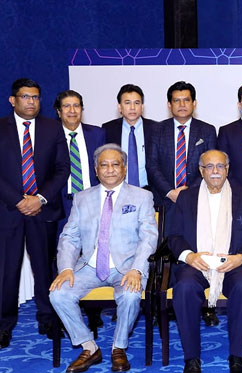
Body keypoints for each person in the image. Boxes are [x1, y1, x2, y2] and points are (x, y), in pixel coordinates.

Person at [49, 144, 157, 373]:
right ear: (96, 170)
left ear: (124, 169)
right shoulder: (82, 198)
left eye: (115, 164)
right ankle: (90, 347)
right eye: (104, 165)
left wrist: (137, 270)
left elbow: (148, 238)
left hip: (126, 267)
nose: (110, 170)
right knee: (58, 294)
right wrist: (66, 268)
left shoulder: (142, 197)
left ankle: (119, 347)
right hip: (88, 266)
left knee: (130, 295)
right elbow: (69, 236)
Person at [168, 150, 242, 373]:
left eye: (220, 166)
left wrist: (241, 257)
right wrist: (188, 256)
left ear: (228, 169)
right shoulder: (186, 198)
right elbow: (173, 235)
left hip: (232, 260)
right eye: (209, 167)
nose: (215, 172)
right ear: (201, 171)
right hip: (197, 261)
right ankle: (192, 359)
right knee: (184, 288)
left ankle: (237, 357)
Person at [0, 78, 69, 349]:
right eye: (26, 97)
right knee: (7, 271)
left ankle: (49, 319)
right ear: (12, 100)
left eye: (36, 97)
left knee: (45, 269)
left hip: (43, 209)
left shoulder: (53, 128)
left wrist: (39, 198)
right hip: (8, 211)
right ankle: (4, 325)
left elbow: (62, 169)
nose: (32, 102)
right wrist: (19, 200)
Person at [147, 81, 217, 236]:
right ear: (169, 105)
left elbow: (211, 167)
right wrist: (170, 192)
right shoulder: (156, 130)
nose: (182, 104)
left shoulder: (207, 130)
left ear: (194, 103)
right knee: (165, 248)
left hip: (198, 199)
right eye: (177, 100)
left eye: (186, 100)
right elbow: (152, 166)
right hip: (165, 200)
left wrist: (188, 193)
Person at [54, 90, 106, 237]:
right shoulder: (50, 136)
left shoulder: (98, 134)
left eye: (76, 106)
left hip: (93, 203)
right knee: (63, 253)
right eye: (66, 106)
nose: (72, 110)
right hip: (61, 204)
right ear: (59, 111)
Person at [103, 84, 159, 189]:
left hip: (150, 191)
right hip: (119, 190)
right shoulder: (108, 129)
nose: (132, 108)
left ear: (142, 107)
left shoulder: (156, 128)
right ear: (119, 107)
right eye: (127, 103)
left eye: (137, 103)